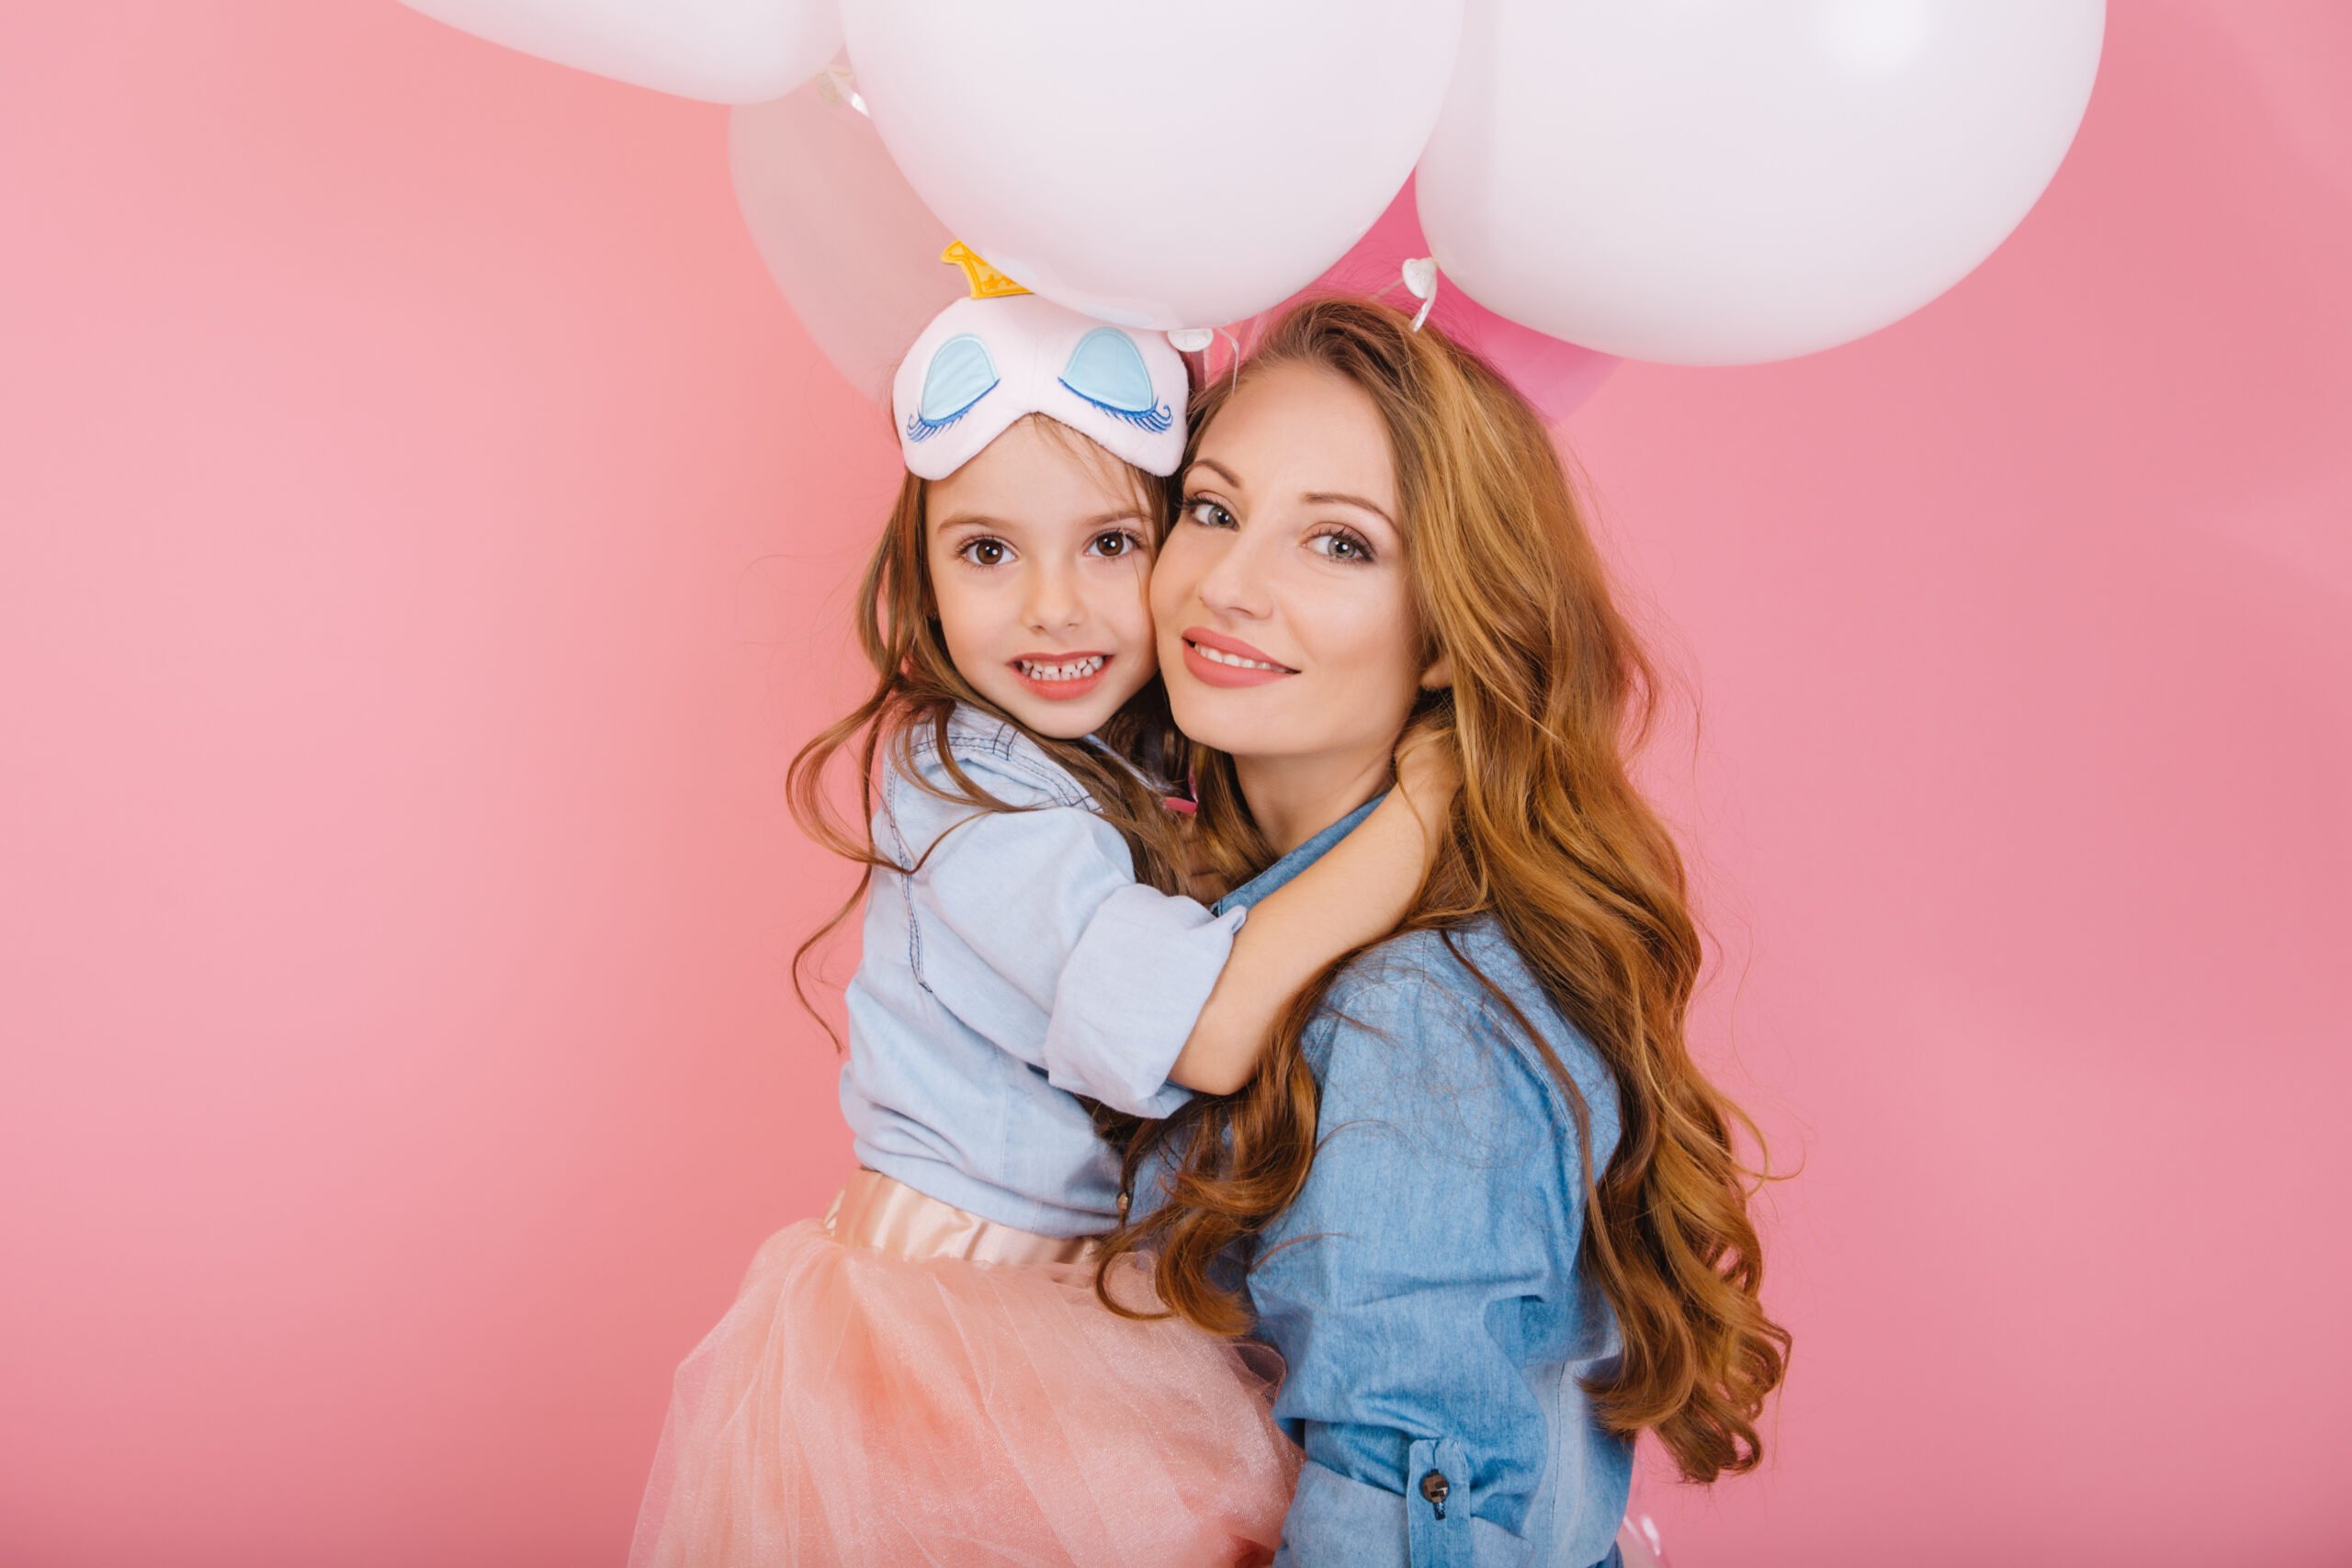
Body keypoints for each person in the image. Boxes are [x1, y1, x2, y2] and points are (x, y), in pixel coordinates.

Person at [628, 257, 1456, 1568]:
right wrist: (1424, 806)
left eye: (1112, 543)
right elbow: (1205, 1034)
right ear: (920, 571)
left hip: (1081, 1302)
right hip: (958, 1326)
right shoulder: (966, 789)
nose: (1052, 607)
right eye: (988, 551)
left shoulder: (1134, 757)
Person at [1102, 297, 1791, 1567]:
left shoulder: (1412, 1012)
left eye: (1342, 546)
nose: (1230, 583)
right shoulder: (1201, 920)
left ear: (1447, 634)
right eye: (1211, 507)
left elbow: (1409, 1501)